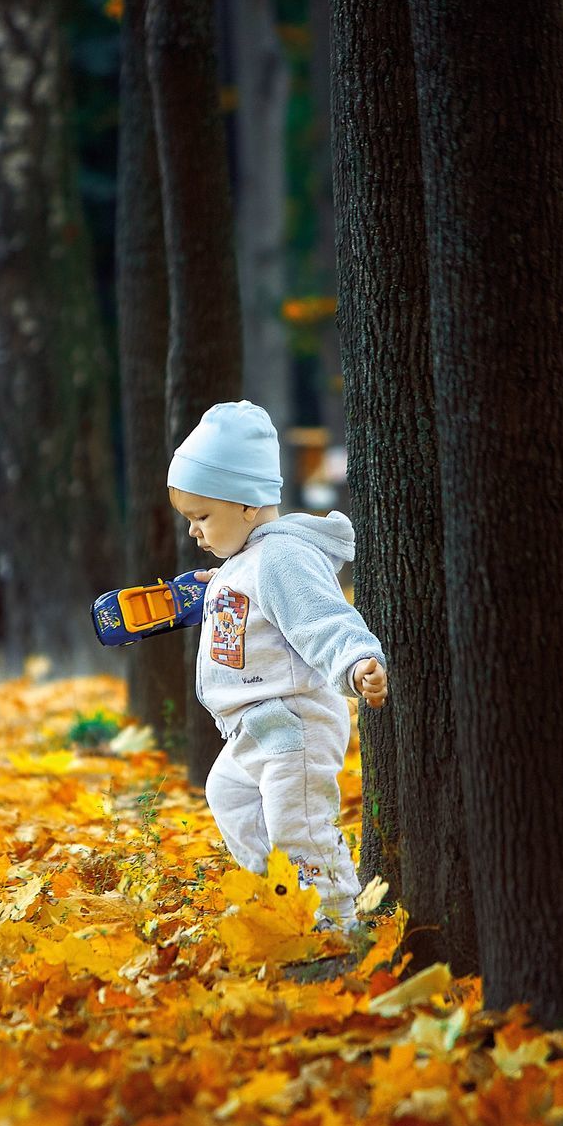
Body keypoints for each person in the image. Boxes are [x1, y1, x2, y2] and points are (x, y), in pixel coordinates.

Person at [167, 400, 388, 933]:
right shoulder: (242, 563)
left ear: (246, 505)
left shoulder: (284, 556)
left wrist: (358, 660)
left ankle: (337, 926)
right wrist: (215, 593)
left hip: (294, 724)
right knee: (227, 794)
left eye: (201, 517)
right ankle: (285, 897)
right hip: (252, 728)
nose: (194, 533)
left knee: (300, 826)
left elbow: (322, 618)